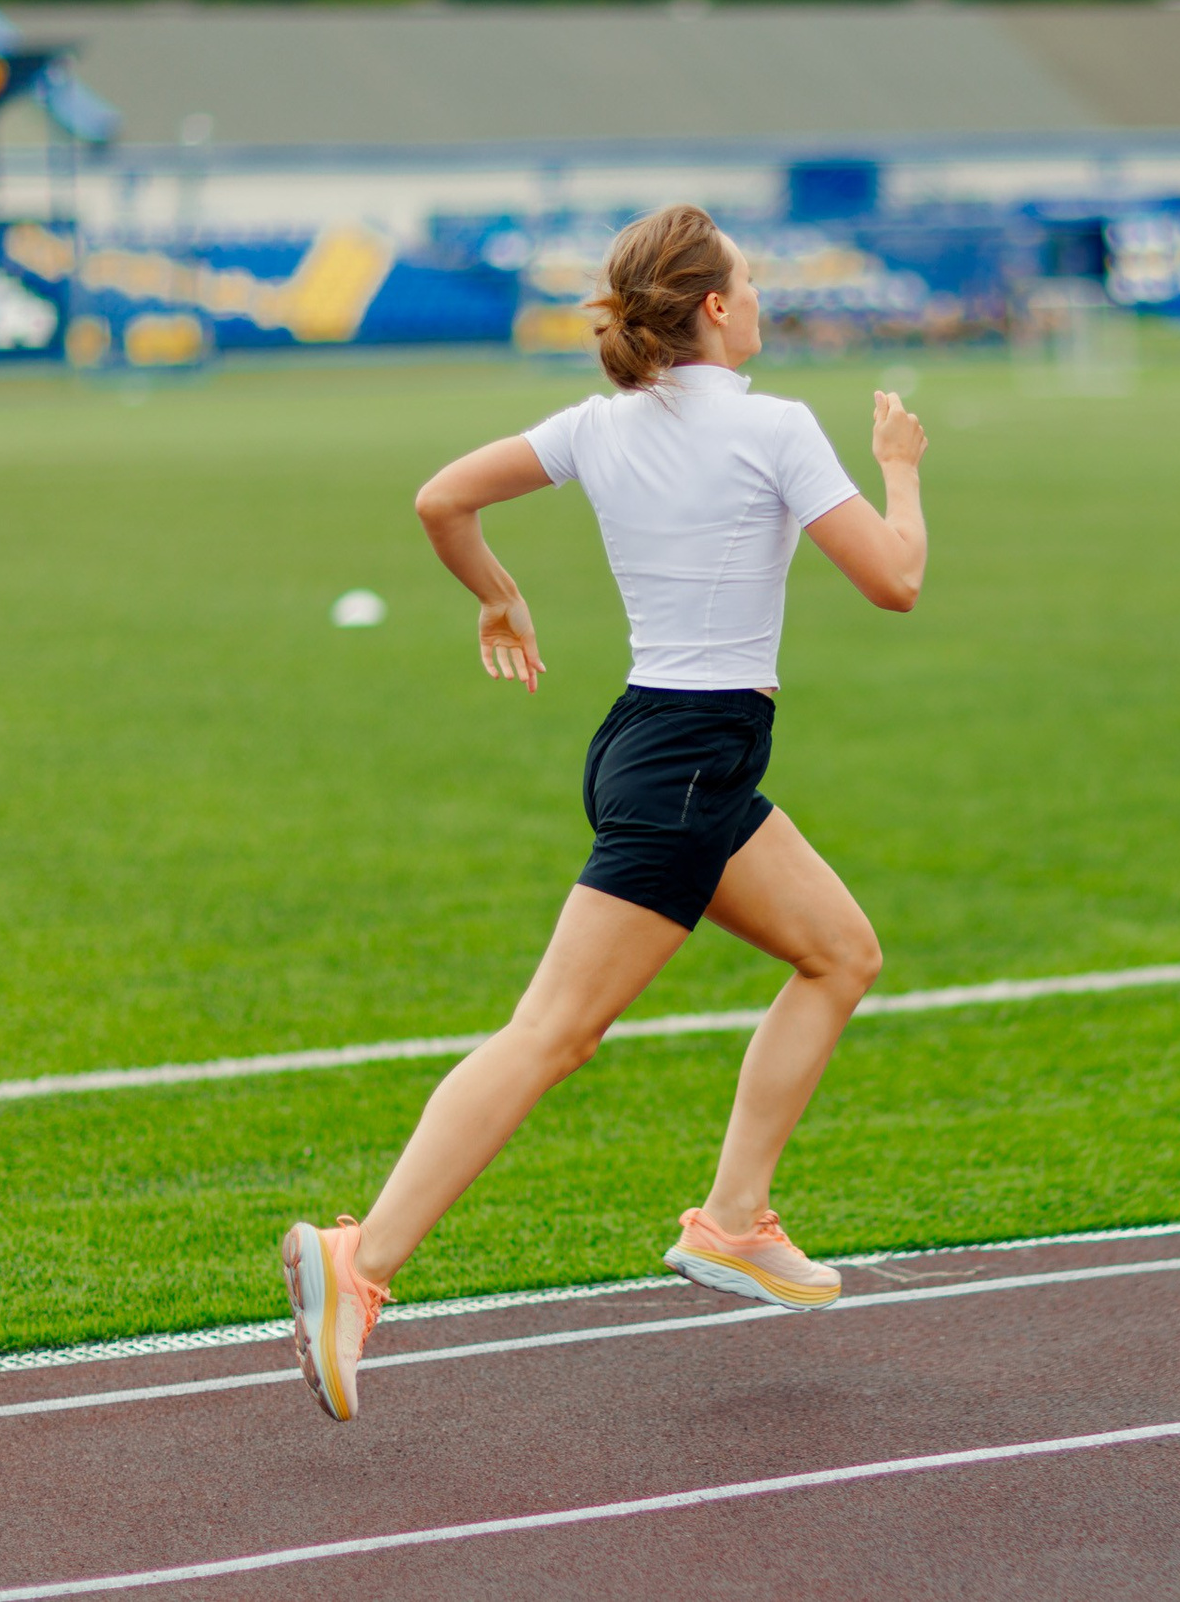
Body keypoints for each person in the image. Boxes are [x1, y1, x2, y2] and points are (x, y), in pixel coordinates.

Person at [280, 204, 929, 1422]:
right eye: (748, 277)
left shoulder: (599, 425)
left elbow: (439, 500)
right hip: (686, 767)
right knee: (551, 1035)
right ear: (718, 308)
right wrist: (898, 467)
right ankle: (357, 1264)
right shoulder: (776, 426)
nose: (761, 293)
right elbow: (894, 580)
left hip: (670, 752)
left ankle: (733, 1221)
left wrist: (497, 594)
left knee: (839, 953)